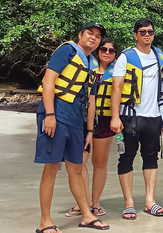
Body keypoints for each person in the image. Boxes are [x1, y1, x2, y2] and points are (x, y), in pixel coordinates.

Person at [35, 22, 109, 233]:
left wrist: (90, 131)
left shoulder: (92, 63)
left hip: (76, 119)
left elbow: (91, 100)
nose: (94, 38)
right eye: (90, 34)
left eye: (97, 36)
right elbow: (49, 81)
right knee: (51, 167)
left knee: (76, 167)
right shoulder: (66, 50)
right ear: (80, 35)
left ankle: (86, 215)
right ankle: (45, 222)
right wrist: (49, 115)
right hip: (56, 113)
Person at [109, 18, 163, 220]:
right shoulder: (126, 57)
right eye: (143, 32)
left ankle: (150, 201)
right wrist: (115, 117)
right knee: (126, 157)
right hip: (130, 117)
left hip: (153, 117)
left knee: (151, 158)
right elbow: (117, 88)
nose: (147, 35)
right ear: (135, 34)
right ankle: (129, 203)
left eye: (150, 32)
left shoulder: (159, 55)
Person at [64, 38, 117, 219]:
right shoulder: (87, 64)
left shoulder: (118, 69)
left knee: (100, 162)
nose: (107, 53)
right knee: (80, 162)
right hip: (83, 119)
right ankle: (83, 202)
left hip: (106, 120)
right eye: (104, 49)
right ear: (98, 50)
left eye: (111, 50)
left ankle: (95, 203)